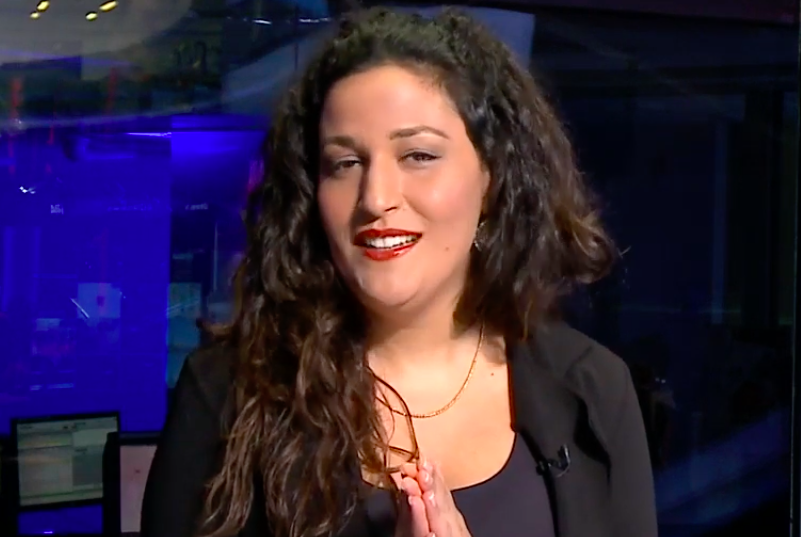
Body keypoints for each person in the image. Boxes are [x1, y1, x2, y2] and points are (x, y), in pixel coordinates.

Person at [141, 7, 657, 537]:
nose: (375, 198)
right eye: (345, 164)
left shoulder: (593, 390)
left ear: (492, 180)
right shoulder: (225, 394)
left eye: (418, 155)